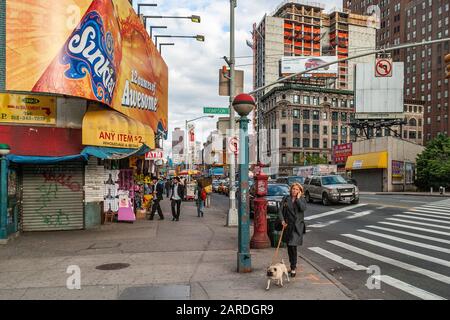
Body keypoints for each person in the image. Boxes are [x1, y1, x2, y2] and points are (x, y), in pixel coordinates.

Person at [278, 183, 307, 278]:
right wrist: (282, 220)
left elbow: (303, 208)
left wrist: (298, 199)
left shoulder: (302, 199)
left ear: (300, 191)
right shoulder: (286, 199)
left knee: (293, 247)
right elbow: (280, 211)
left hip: (297, 227)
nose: (294, 191)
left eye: (297, 189)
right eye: (293, 189)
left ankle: (293, 268)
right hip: (288, 226)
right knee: (289, 248)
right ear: (291, 190)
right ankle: (292, 265)